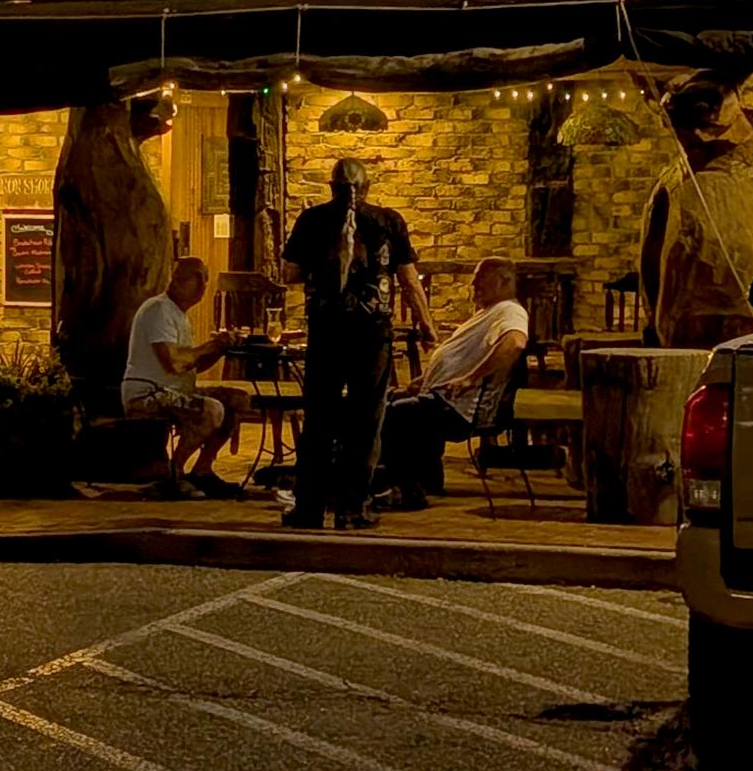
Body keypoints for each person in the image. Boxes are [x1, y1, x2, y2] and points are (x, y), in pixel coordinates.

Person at [279, 159, 437, 529]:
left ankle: (309, 508)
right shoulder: (388, 221)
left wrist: (324, 271)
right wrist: (426, 323)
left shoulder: (311, 220)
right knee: (366, 422)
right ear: (367, 187)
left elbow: (290, 273)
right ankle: (352, 509)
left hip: (326, 330)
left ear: (332, 186)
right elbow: (408, 279)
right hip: (372, 333)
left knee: (319, 418)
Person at [375, 257, 529, 511]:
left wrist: (470, 378)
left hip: (459, 408)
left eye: (480, 278)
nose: (474, 284)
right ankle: (427, 480)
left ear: (504, 281)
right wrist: (425, 381)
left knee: (394, 414)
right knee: (388, 401)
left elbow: (514, 343)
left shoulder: (510, 311)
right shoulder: (488, 313)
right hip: (444, 397)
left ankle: (406, 489)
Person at [122, 256, 250, 499]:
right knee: (211, 409)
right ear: (176, 279)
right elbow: (174, 362)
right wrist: (208, 346)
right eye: (196, 277)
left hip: (175, 389)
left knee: (237, 399)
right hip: (148, 393)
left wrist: (219, 349)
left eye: (206, 278)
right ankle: (174, 474)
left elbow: (192, 365)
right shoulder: (158, 310)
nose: (203, 285)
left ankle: (203, 469)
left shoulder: (180, 315)